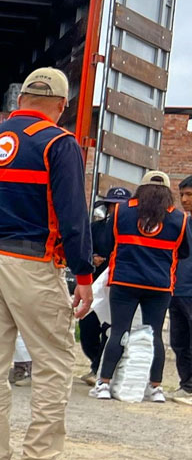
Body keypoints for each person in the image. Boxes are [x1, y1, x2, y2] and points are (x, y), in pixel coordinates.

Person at [0, 67, 94, 460]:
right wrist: (85, 273)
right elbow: (73, 216)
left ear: (20, 102)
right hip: (32, 261)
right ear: (62, 105)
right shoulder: (59, 142)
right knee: (54, 360)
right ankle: (40, 457)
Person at [92, 171, 189, 403]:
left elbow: (106, 244)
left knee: (119, 331)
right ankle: (155, 388)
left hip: (124, 281)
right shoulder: (178, 219)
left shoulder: (122, 212)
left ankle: (104, 384)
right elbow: (184, 252)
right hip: (159, 285)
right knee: (154, 335)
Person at [78, 187, 131, 386]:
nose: (115, 209)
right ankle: (94, 360)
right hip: (95, 284)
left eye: (120, 206)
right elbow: (84, 249)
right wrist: (92, 259)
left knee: (111, 329)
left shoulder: (131, 230)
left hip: (119, 286)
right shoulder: (95, 227)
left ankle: (100, 368)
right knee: (87, 326)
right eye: (112, 205)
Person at [171, 175, 192, 400]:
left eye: (189, 195)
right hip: (176, 290)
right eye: (182, 195)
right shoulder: (182, 223)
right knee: (178, 341)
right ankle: (186, 384)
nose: (184, 200)